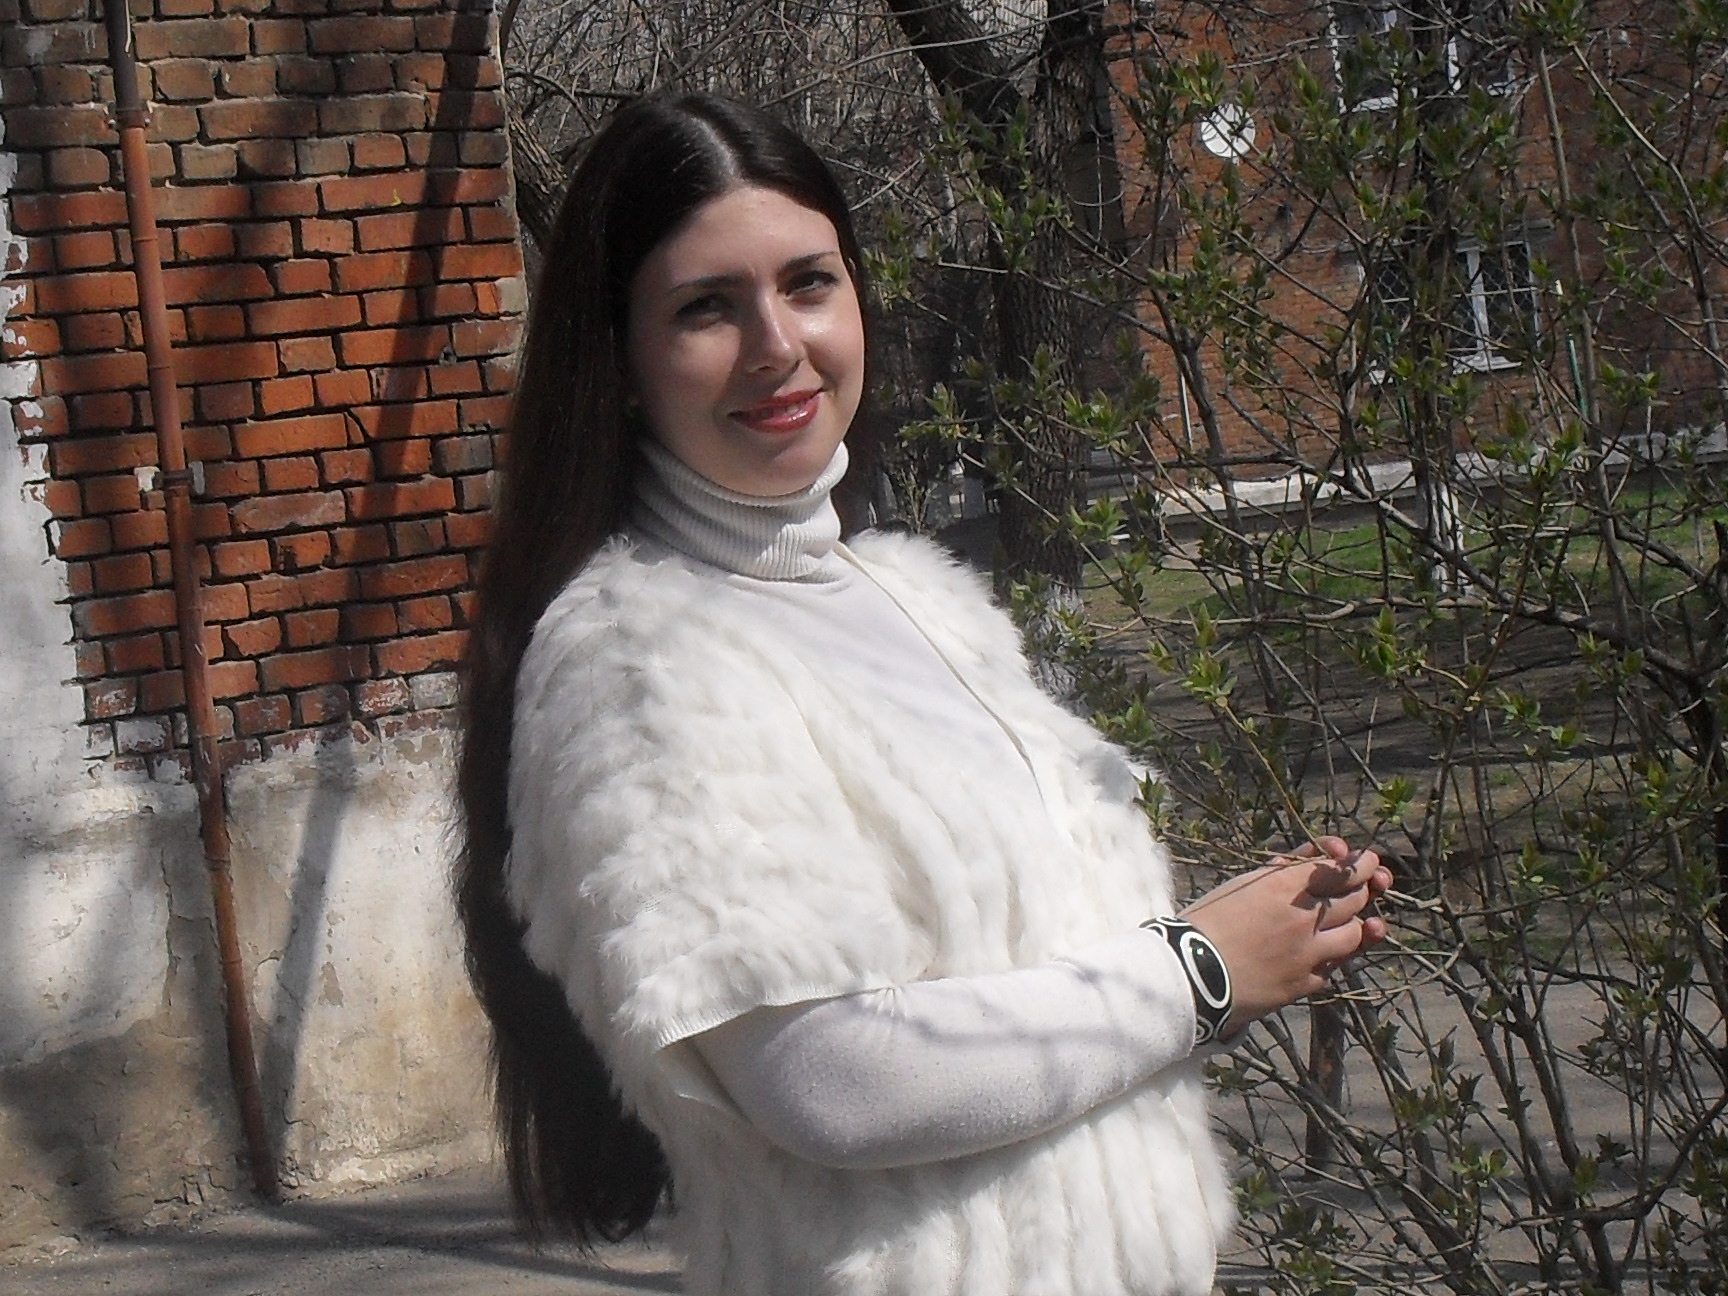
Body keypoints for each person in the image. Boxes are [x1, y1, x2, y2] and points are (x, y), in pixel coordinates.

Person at [455, 91, 1392, 1296]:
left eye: (808, 283)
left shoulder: (911, 595)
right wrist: (1199, 973)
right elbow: (830, 1079)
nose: (777, 345)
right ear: (623, 361)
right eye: (706, 307)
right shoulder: (634, 661)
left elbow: (1027, 964)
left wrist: (1258, 929)